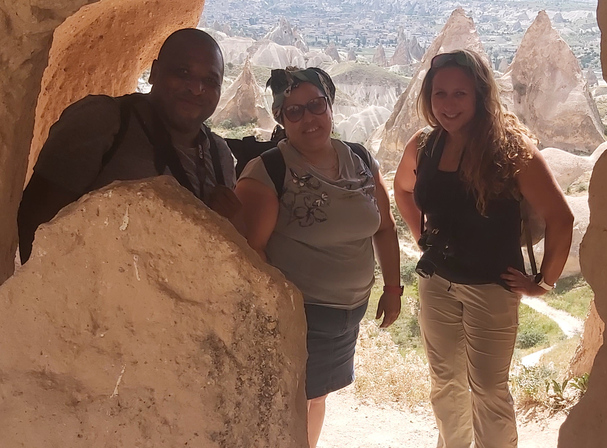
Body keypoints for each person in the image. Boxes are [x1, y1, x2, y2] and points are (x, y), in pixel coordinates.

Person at [393, 49, 574, 448]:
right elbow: (403, 189)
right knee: (445, 384)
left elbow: (562, 219)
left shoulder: (510, 151)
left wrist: (543, 284)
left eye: (460, 94)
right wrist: (419, 237)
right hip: (436, 283)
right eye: (440, 94)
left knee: (489, 390)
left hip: (491, 289)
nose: (448, 105)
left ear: (479, 95)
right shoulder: (424, 145)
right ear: (428, 97)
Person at [234, 67, 402, 448]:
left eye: (316, 105)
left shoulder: (360, 160)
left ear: (330, 106)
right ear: (281, 118)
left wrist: (393, 287)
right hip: (302, 314)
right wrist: (281, 312)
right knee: (292, 397)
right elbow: (249, 253)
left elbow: (385, 227)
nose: (308, 118)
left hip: (349, 311)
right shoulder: (268, 172)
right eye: (294, 111)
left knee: (317, 395)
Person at [17, 28, 240, 263]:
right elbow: (36, 222)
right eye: (183, 72)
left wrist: (227, 225)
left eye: (210, 80)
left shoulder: (219, 155)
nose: (196, 88)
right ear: (154, 73)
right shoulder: (102, 122)